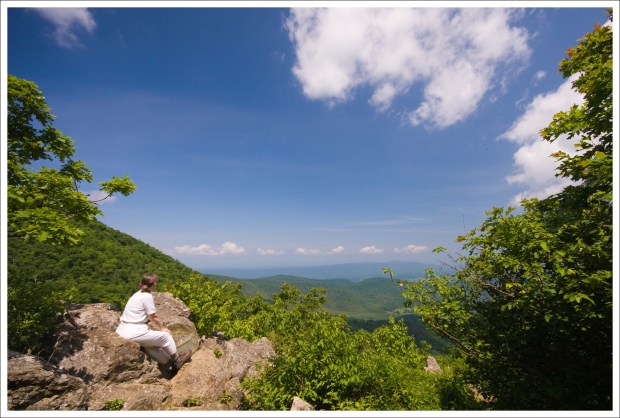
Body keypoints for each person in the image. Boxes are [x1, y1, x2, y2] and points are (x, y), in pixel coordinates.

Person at [116, 273, 191, 371]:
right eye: (156, 282)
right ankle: (177, 360)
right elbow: (153, 317)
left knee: (149, 347)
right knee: (166, 336)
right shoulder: (147, 296)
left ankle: (169, 364)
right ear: (154, 283)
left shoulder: (137, 294)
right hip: (134, 331)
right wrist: (162, 328)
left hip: (122, 331)